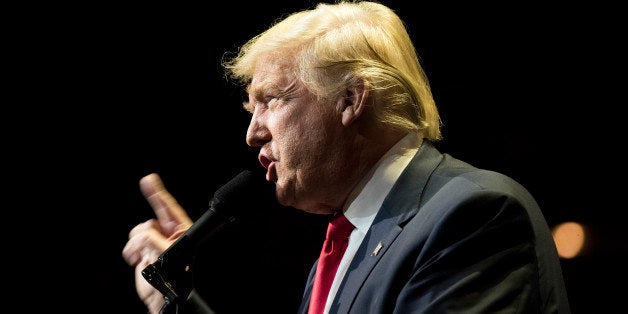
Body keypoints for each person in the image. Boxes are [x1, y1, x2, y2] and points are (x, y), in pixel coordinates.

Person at [123, 1, 571, 313]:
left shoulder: (474, 215)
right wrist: (175, 300)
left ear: (350, 99)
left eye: (271, 100)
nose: (252, 132)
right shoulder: (339, 252)